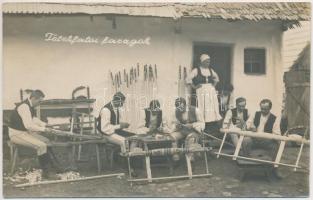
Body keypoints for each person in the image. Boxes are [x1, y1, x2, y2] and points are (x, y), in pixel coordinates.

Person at [8, 90, 62, 179]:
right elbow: (29, 125)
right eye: (39, 101)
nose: (39, 103)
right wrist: (44, 129)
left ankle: (54, 166)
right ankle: (47, 172)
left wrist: (45, 124)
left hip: (24, 132)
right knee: (41, 146)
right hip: (16, 134)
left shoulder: (29, 105)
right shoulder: (24, 107)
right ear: (33, 98)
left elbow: (33, 119)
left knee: (47, 141)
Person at [186, 54, 222, 134]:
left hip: (210, 91)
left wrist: (213, 85)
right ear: (202, 62)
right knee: (203, 107)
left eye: (209, 61)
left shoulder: (210, 70)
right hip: (201, 91)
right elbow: (188, 79)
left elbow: (216, 78)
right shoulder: (196, 70)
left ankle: (211, 125)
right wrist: (194, 87)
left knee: (211, 107)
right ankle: (203, 124)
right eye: (206, 61)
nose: (208, 63)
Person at [247, 99, 282, 179]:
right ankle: (247, 164)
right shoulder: (255, 114)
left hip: (266, 140)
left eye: (265, 109)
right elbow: (247, 125)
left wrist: (275, 139)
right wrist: (251, 128)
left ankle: (273, 168)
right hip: (254, 138)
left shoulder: (275, 118)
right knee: (245, 141)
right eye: (261, 108)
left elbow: (277, 133)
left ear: (270, 108)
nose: (262, 110)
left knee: (276, 146)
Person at [163, 97, 205, 161]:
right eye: (178, 108)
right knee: (172, 136)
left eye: (182, 107)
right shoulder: (176, 112)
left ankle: (190, 158)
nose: (180, 109)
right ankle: (176, 155)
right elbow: (174, 123)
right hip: (183, 131)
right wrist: (176, 126)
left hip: (194, 131)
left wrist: (192, 125)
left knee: (190, 138)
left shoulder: (195, 110)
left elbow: (202, 123)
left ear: (186, 105)